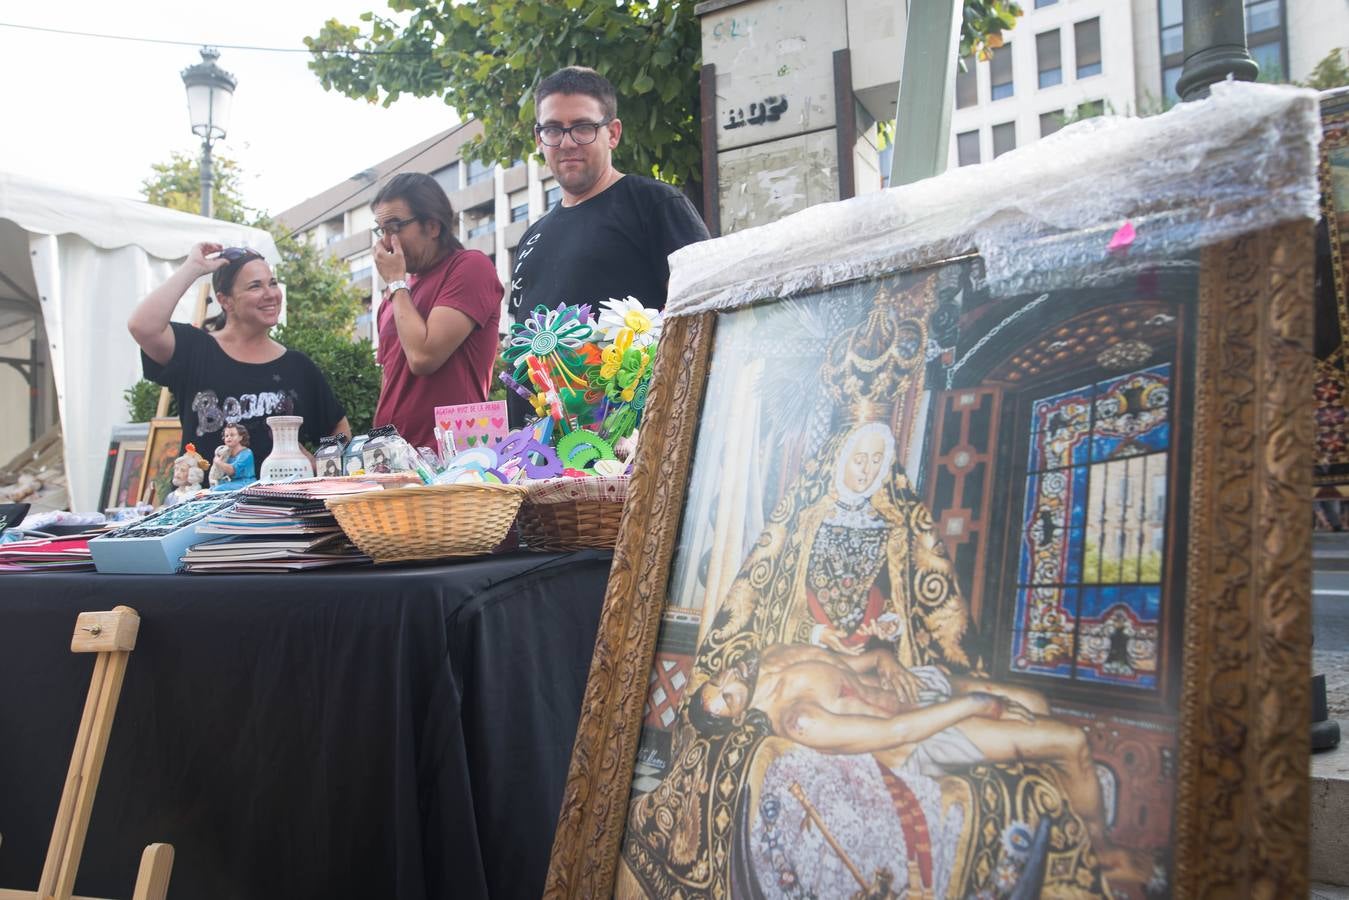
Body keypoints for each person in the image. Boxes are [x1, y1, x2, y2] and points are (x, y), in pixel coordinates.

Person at [686, 643, 1149, 883]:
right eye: (726, 698)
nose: (731, 681)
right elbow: (896, 735)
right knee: (1070, 741)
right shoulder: (799, 720)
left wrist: (887, 662)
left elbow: (859, 661)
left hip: (922, 689)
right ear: (736, 718)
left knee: (1037, 700)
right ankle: (1100, 850)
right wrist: (974, 705)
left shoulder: (774, 658)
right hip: (925, 734)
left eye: (721, 680)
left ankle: (1060, 810)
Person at [506, 65, 710, 424]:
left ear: (612, 133)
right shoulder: (531, 237)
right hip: (534, 457)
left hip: (631, 449)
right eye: (553, 129)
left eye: (583, 127)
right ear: (539, 139)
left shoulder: (654, 204)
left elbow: (706, 318)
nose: (567, 142)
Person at [128, 244, 351, 464]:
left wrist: (322, 464)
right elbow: (142, 326)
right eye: (255, 286)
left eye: (272, 283)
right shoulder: (195, 349)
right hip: (209, 499)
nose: (270, 294)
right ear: (225, 300)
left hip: (284, 499)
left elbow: (338, 428)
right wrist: (192, 269)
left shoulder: (298, 366)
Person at [371, 172, 503, 448]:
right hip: (394, 457)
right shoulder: (396, 295)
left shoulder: (470, 267)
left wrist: (396, 283)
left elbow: (423, 357)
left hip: (456, 458)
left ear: (432, 226)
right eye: (380, 230)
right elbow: (391, 383)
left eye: (394, 227)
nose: (385, 242)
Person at [210, 422, 256, 491]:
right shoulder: (226, 453)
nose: (229, 437)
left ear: (240, 437)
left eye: (232, 435)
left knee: (218, 489)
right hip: (232, 482)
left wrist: (218, 462)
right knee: (213, 487)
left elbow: (233, 470)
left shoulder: (246, 453)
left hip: (246, 482)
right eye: (226, 436)